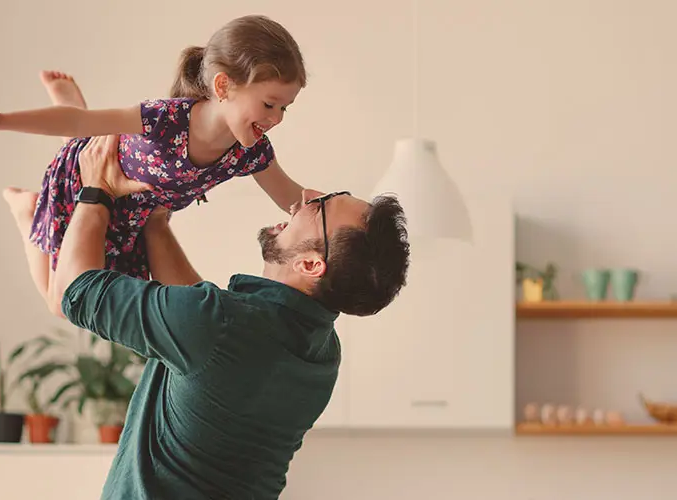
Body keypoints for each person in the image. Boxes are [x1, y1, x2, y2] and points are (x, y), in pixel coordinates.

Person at [50, 134, 411, 499]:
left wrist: (96, 190)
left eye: (319, 207)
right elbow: (203, 334)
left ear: (310, 264)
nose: (306, 196)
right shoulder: (319, 352)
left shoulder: (221, 326)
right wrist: (155, 224)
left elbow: (73, 290)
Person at [0, 14, 317, 306]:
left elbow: (294, 199)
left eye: (285, 107)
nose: (277, 118)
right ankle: (26, 210)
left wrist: (343, 213)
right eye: (269, 104)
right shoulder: (165, 120)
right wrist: (0, 120)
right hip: (85, 183)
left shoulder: (250, 152)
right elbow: (80, 123)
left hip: (133, 218)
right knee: (61, 303)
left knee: (95, 296)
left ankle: (70, 101)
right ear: (223, 86)